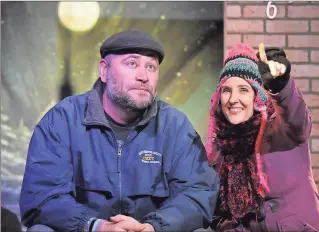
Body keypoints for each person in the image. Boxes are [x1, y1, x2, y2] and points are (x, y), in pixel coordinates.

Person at [19, 29, 219, 232]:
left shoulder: (175, 126)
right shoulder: (61, 121)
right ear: (104, 71)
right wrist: (97, 227)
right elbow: (43, 196)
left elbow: (197, 193)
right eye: (132, 63)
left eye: (151, 67)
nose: (143, 76)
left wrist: (152, 227)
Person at [205, 43, 319, 232]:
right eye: (226, 90)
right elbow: (221, 218)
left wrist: (281, 84)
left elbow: (296, 119)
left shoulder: (281, 130)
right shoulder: (219, 151)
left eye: (243, 89)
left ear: (257, 95)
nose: (233, 99)